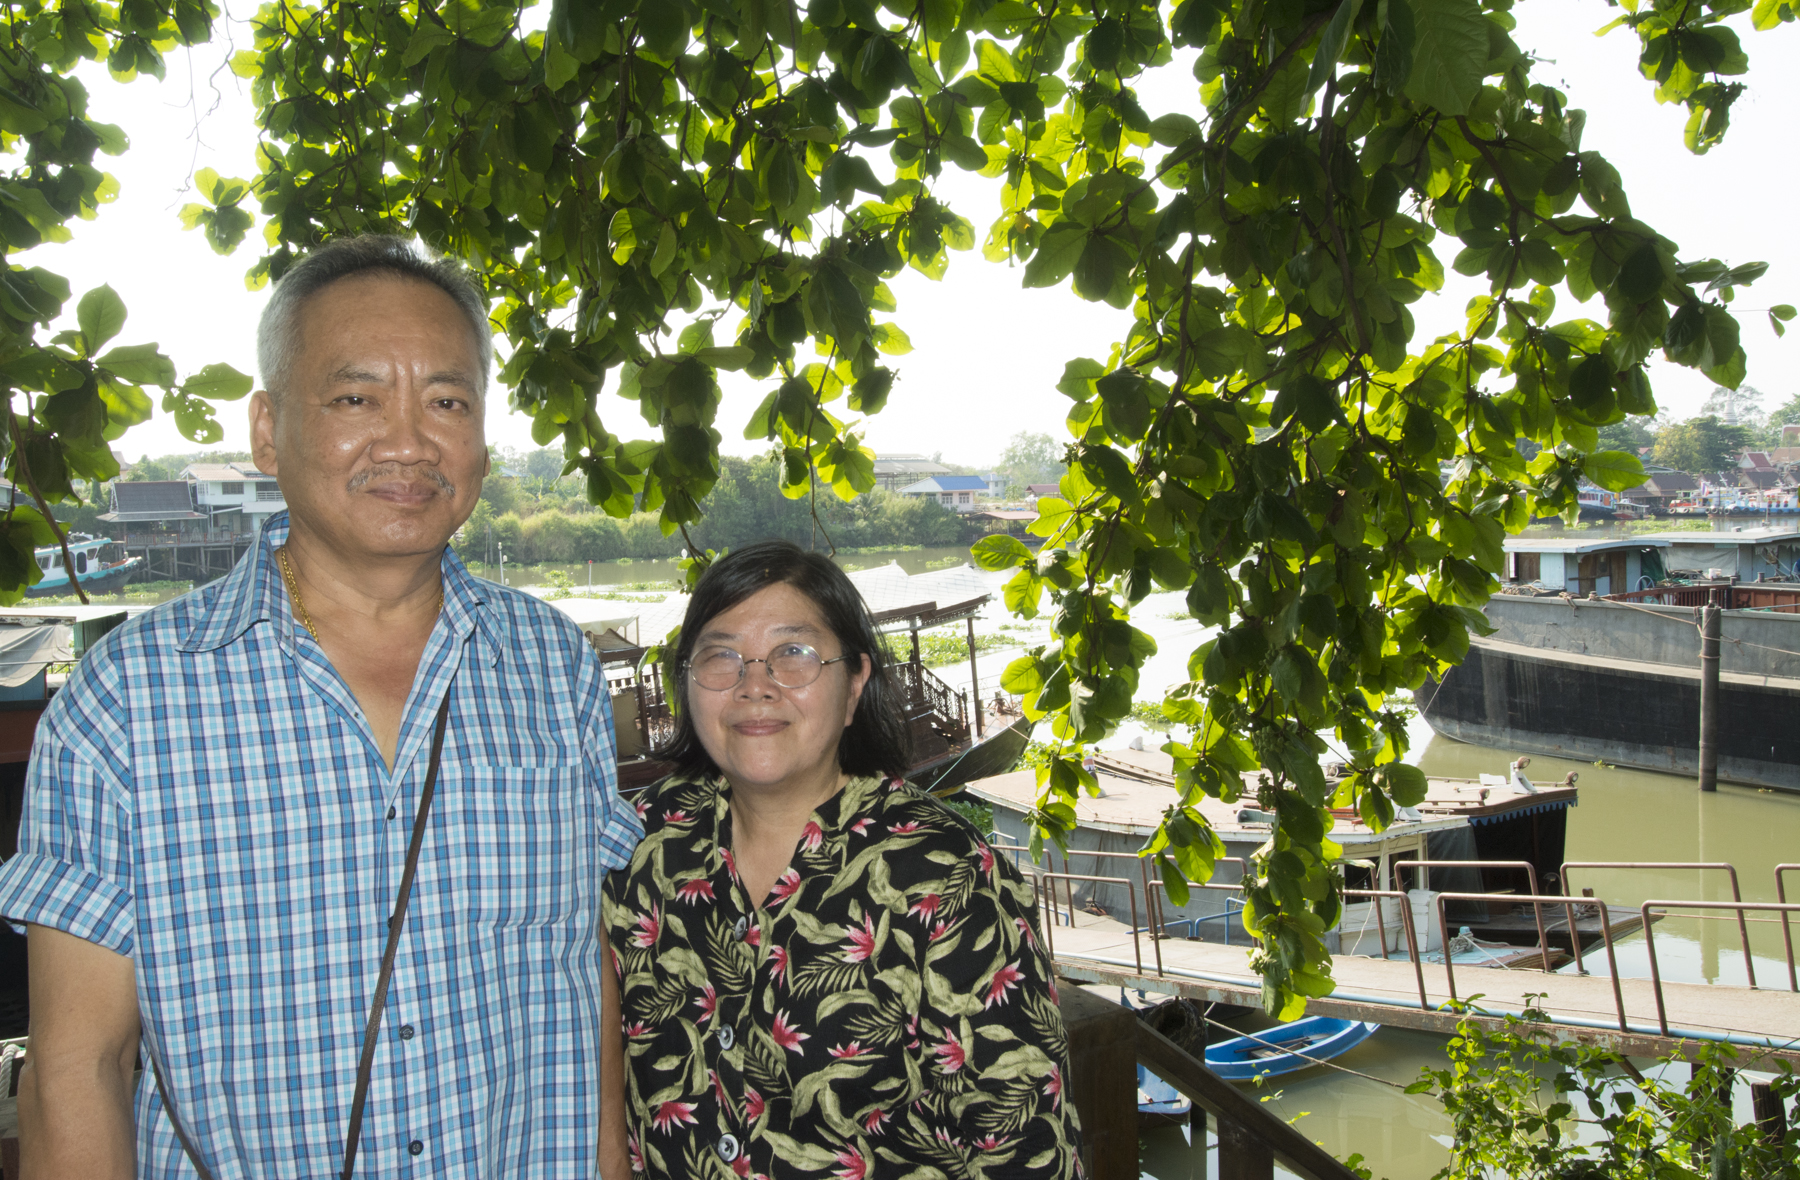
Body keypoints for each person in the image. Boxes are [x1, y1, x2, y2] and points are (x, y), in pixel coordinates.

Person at [0, 235, 642, 1178]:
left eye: (447, 401)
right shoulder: (127, 703)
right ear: (268, 430)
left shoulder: (552, 667)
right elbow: (76, 1068)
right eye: (356, 397)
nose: (410, 441)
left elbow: (586, 985)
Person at [600, 541, 1081, 1178]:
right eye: (721, 657)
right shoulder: (639, 846)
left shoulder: (945, 874)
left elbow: (1026, 1149)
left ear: (855, 683)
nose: (754, 686)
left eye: (792, 654)